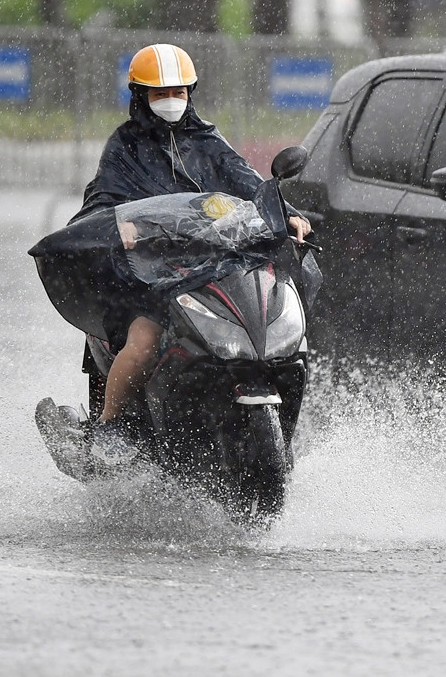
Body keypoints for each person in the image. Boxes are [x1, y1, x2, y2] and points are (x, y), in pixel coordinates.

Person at [69, 43, 309, 461]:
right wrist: (117, 225)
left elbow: (248, 182)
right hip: (156, 267)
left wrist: (284, 214)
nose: (170, 101)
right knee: (144, 341)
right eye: (160, 94)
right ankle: (106, 430)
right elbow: (102, 198)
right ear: (140, 96)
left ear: (190, 92)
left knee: (275, 320)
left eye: (178, 92)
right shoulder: (124, 146)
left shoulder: (207, 139)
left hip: (215, 259)